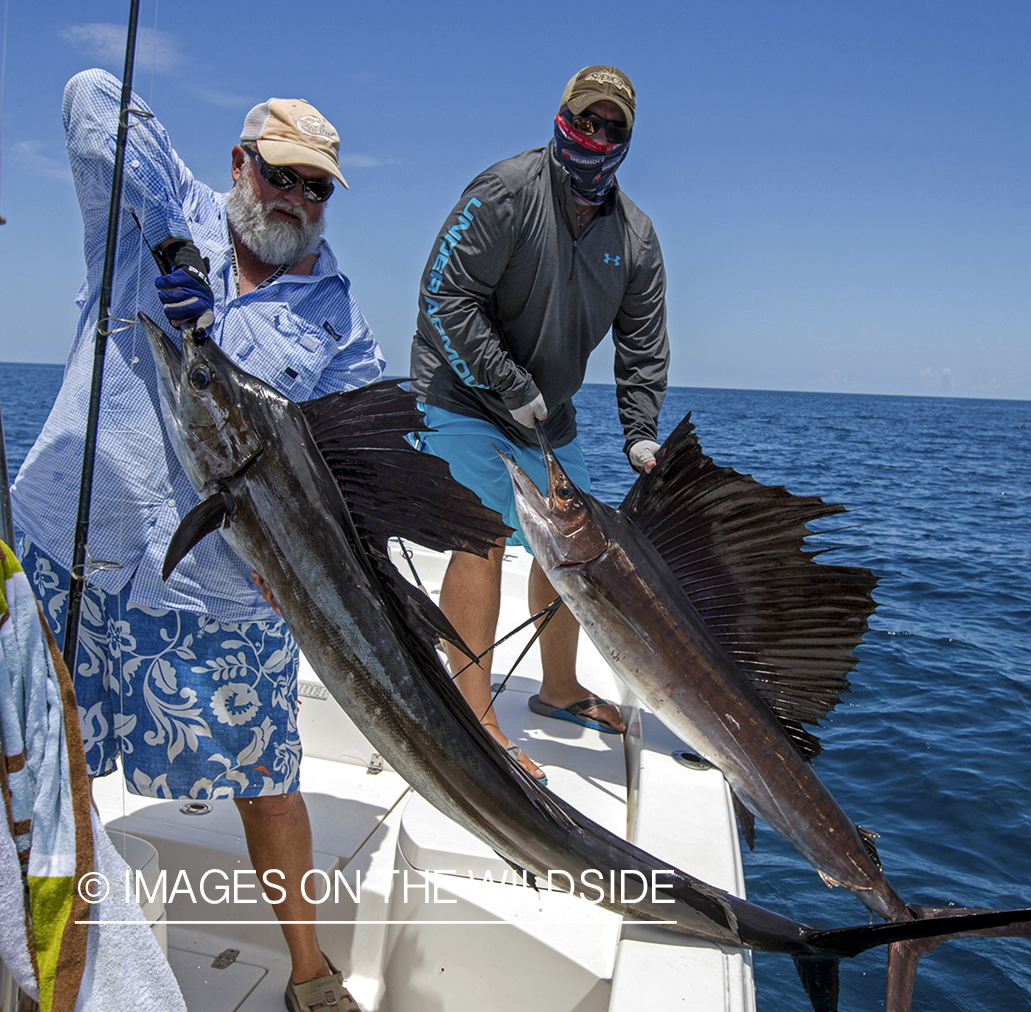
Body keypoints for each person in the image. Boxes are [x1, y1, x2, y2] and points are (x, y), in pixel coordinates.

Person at [10, 69, 381, 1012]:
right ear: (238, 163)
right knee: (43, 761)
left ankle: (309, 974)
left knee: (269, 781)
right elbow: (90, 91)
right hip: (75, 548)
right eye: (279, 175)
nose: (295, 199)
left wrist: (319, 559)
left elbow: (363, 472)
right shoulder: (156, 206)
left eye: (315, 188)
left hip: (224, 584)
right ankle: (56, 952)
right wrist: (176, 239)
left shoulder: (337, 318)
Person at [409, 65, 668, 780]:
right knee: (483, 533)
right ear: (562, 119)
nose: (598, 136)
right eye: (587, 121)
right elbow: (443, 295)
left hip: (546, 413)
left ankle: (558, 689)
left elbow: (641, 343)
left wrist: (639, 431)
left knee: (575, 541)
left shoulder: (636, 237)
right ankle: (473, 715)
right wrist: (507, 382)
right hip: (461, 391)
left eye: (613, 128)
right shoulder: (506, 191)